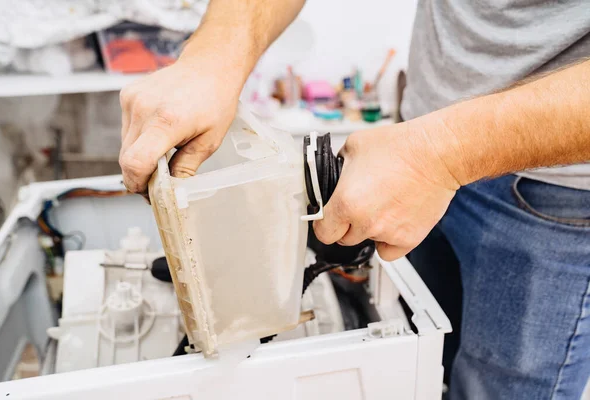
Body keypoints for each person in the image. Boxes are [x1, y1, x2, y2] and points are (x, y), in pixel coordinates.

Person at [118, 1, 590, 398]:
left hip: (557, 192)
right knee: (426, 363)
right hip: (420, 133)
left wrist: (439, 155)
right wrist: (212, 59)